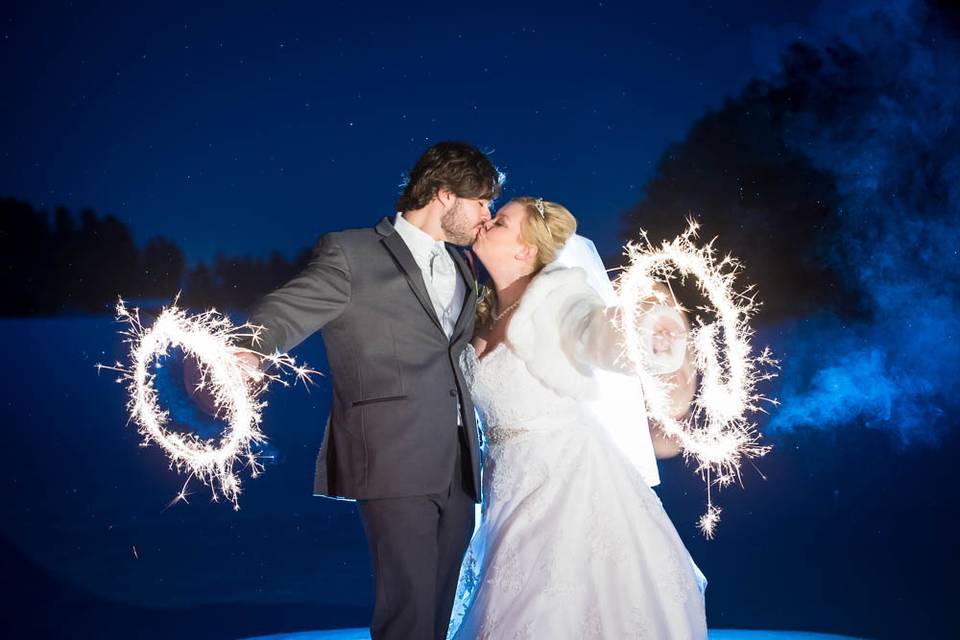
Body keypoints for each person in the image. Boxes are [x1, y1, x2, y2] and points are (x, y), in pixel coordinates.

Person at [235, 142, 500, 640]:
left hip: (461, 462)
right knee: (408, 607)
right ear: (445, 195)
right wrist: (252, 346)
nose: (488, 215)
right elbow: (290, 305)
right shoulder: (352, 251)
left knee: (440, 606)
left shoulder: (464, 266)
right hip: (392, 453)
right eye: (481, 201)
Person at [447, 197, 708, 639]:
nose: (488, 222)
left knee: (550, 607)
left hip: (567, 478)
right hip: (506, 480)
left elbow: (596, 331)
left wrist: (644, 337)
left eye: (502, 221)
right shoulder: (482, 310)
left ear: (525, 250)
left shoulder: (559, 296)